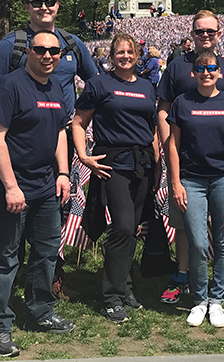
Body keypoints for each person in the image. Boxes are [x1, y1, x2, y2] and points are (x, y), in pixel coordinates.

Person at [0, 0, 97, 297]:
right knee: (14, 213)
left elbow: (96, 84)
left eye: (50, 2)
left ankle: (50, 276)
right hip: (17, 144)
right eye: (37, 3)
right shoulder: (12, 45)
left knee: (56, 210)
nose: (44, 7)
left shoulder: (73, 45)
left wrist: (79, 117)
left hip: (60, 140)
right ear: (27, 7)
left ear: (58, 6)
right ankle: (12, 276)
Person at [0, 30, 74, 356]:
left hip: (46, 186)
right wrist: (11, 187)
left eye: (54, 51)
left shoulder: (57, 86)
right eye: (40, 49)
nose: (47, 55)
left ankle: (42, 311)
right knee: (5, 257)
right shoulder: (7, 87)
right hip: (9, 188)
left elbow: (60, 130)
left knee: (46, 253)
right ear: (28, 51)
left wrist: (62, 172)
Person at [156, 10, 224, 305]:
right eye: (200, 31)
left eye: (210, 31)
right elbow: (164, 107)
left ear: (219, 34)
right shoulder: (176, 67)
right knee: (186, 226)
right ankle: (182, 275)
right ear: (192, 33)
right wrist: (165, 143)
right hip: (186, 163)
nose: (205, 36)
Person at [72, 33, 161, 324]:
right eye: (120, 52)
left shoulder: (148, 86)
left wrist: (157, 163)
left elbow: (152, 128)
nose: (125, 56)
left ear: (138, 56)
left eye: (130, 52)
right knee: (122, 226)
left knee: (133, 228)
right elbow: (79, 121)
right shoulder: (99, 84)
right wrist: (84, 156)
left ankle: (125, 288)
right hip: (113, 164)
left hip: (143, 163)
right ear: (112, 56)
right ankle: (111, 295)